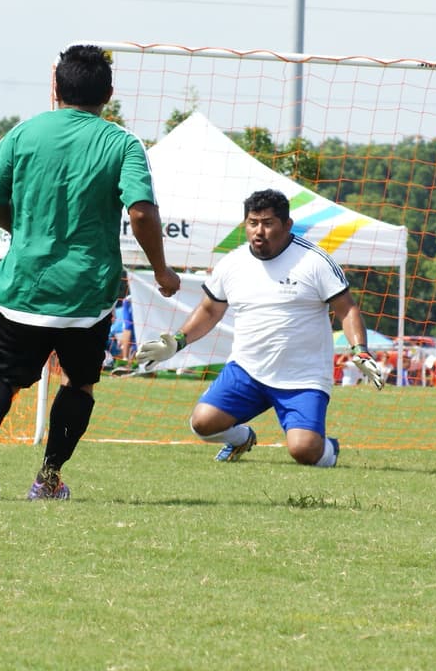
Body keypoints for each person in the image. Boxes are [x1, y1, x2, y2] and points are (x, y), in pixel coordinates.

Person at [0, 45, 181, 501]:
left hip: (23, 286)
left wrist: (22, 232)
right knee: (78, 383)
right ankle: (48, 478)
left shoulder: (23, 133)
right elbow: (141, 212)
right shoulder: (122, 143)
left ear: (56, 87)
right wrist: (162, 271)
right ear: (108, 93)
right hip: (86, 295)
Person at [134, 189, 383, 468]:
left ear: (287, 225)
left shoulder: (315, 261)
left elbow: (346, 309)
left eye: (267, 223)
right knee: (202, 423)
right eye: (252, 223)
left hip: (303, 377)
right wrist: (177, 342)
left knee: (304, 451)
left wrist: (360, 350)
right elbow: (210, 310)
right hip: (247, 370)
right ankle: (241, 438)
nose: (259, 231)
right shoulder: (232, 263)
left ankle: (328, 448)